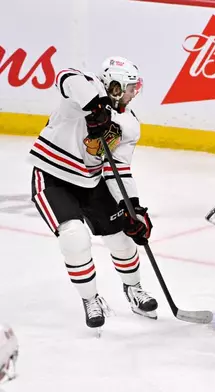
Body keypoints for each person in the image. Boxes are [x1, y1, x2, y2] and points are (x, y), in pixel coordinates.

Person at [28, 57, 157, 331]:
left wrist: (133, 208)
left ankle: (133, 290)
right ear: (114, 86)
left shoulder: (129, 123)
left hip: (92, 180)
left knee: (122, 236)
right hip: (54, 176)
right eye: (131, 88)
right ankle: (90, 299)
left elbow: (118, 167)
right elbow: (65, 75)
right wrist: (94, 107)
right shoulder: (87, 88)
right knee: (74, 236)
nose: (135, 94)